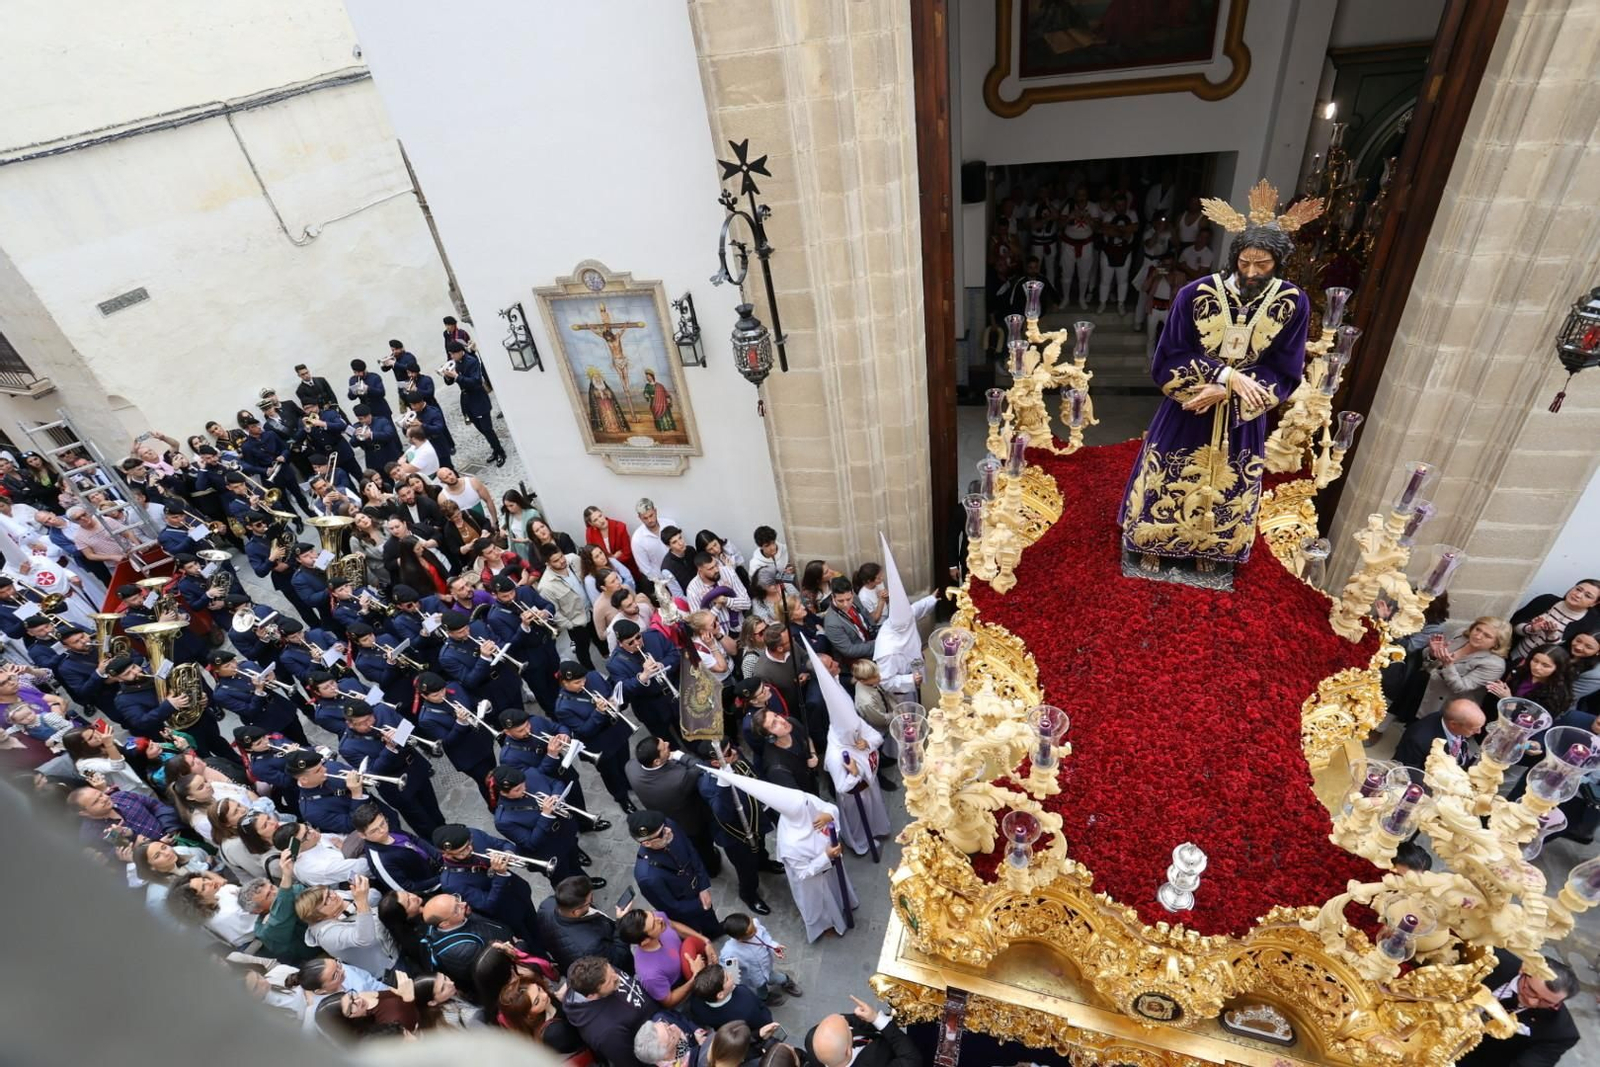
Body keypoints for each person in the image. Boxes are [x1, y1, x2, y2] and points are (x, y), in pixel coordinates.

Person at [1119, 182, 1317, 577]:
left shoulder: (1292, 302)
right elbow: (1169, 355)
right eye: (1245, 262)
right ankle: (1152, 541)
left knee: (1230, 484)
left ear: (1278, 263)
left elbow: (1285, 368)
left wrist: (1233, 389)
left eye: (1263, 266)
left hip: (1241, 416)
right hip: (1189, 406)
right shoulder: (1196, 293)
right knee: (1168, 472)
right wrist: (1221, 376)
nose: (1252, 272)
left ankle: (1214, 547)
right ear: (1234, 257)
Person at [710, 768, 855, 942]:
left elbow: (824, 806)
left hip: (832, 864)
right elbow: (803, 872)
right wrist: (826, 856)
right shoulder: (790, 843)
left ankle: (844, 906)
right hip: (814, 881)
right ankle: (826, 925)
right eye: (804, 806)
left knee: (838, 889)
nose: (808, 805)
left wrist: (829, 814)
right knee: (820, 905)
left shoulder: (805, 801)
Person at [811, 641, 890, 856]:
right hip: (856, 796)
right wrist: (855, 773)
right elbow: (843, 786)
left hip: (870, 784)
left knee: (874, 810)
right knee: (858, 820)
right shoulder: (835, 755)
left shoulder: (854, 725)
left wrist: (868, 743)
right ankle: (861, 844)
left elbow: (874, 736)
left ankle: (878, 830)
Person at [1456, 950, 1579, 1067]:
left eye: (1545, 1001)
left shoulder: (1560, 1033)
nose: (1532, 1001)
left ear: (1559, 1003)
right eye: (1531, 990)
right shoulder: (1489, 960)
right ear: (1523, 970)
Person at [432, 822, 540, 944]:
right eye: (462, 851)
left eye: (469, 844)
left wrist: (508, 853)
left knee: (538, 926)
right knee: (531, 942)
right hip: (508, 913)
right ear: (446, 854)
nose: (470, 850)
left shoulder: (473, 834)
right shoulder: (451, 883)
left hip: (520, 891)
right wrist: (500, 875)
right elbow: (488, 905)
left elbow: (502, 844)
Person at [629, 809, 721, 939]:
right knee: (695, 935)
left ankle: (715, 931)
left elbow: (691, 853)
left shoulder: (668, 827)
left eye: (665, 826)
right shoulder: (648, 877)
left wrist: (703, 886)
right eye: (661, 833)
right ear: (647, 843)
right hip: (685, 911)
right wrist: (700, 905)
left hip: (698, 890)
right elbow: (670, 906)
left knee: (711, 921)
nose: (669, 831)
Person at [564, 956, 666, 1067]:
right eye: (609, 982)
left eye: (612, 970)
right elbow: (631, 1063)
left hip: (665, 1016)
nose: (617, 977)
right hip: (663, 1049)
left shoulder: (600, 972)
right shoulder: (606, 1034)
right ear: (591, 996)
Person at [1410, 617, 1512, 722]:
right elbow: (1429, 662)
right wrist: (1432, 653)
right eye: (1478, 629)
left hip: (1440, 704)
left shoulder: (1495, 665)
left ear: (1497, 644)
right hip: (1422, 686)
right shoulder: (1460, 635)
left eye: (1487, 636)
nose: (1478, 636)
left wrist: (1448, 665)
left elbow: (1460, 687)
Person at [296, 876, 401, 976]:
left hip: (397, 938)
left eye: (328, 892)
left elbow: (375, 895)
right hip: (392, 967)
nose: (333, 896)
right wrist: (360, 903)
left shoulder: (337, 897)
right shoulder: (326, 936)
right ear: (318, 917)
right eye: (326, 901)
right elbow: (365, 938)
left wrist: (353, 905)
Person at [419, 891, 516, 997]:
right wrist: (519, 947)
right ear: (445, 924)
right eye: (456, 909)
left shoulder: (454, 918)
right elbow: (496, 969)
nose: (463, 904)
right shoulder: (462, 951)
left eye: (457, 899)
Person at [535, 874, 635, 974]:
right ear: (576, 912)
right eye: (589, 900)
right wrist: (621, 922)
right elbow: (618, 959)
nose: (592, 901)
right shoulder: (592, 945)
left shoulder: (547, 905)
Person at [618, 907, 710, 1008]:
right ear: (645, 941)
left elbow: (674, 926)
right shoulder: (649, 975)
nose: (660, 919)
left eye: (652, 915)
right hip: (683, 987)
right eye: (653, 925)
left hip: (691, 958)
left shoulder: (658, 919)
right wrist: (695, 977)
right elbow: (669, 1001)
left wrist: (704, 940)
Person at [239, 855, 321, 964]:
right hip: (317, 957)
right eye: (268, 895)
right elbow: (279, 916)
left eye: (272, 887)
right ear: (257, 910)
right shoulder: (264, 930)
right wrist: (286, 877)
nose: (276, 892)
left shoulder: (292, 890)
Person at [353, 802, 443, 896]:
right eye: (374, 830)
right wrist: (442, 879)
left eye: (382, 823)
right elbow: (406, 889)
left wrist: (441, 857)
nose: (383, 830)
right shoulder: (381, 861)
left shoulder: (389, 828)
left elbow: (414, 839)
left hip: (436, 867)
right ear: (362, 835)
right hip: (433, 888)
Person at [803, 996, 920, 1067]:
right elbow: (912, 1060)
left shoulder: (812, 1036)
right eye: (848, 1029)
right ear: (848, 1052)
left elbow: (848, 1020)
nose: (847, 1021)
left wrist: (876, 1019)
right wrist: (879, 1022)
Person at [442, 340, 507, 466]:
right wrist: (447, 375)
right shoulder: (455, 363)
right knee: (481, 429)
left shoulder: (472, 361)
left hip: (479, 399)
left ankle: (500, 452)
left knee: (488, 429)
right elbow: (449, 382)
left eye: (453, 354)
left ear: (460, 352)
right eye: (450, 354)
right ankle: (495, 448)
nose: (452, 357)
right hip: (467, 401)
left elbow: (476, 381)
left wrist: (456, 376)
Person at [719, 912, 801, 1006]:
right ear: (739, 938)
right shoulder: (729, 952)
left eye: (754, 927)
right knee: (761, 988)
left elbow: (765, 936)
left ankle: (786, 982)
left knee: (778, 977)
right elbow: (732, 973)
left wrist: (773, 946)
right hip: (754, 976)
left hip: (767, 968)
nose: (755, 931)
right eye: (751, 933)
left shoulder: (755, 924)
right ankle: (765, 999)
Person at [1511, 580, 1600, 658]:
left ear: (1594, 603)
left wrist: (1551, 636)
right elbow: (1513, 625)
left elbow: (1565, 655)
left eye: (1588, 596)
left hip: (1540, 669)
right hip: (1514, 654)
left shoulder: (1590, 624)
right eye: (1578, 589)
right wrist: (1531, 628)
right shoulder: (1546, 601)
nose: (1578, 595)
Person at [1393, 698, 1486, 772]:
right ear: (1453, 724)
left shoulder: (1455, 723)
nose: (1479, 732)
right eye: (1474, 728)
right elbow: (1406, 772)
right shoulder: (1418, 740)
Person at [687, 963, 773, 1034]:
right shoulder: (745, 1001)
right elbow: (764, 1020)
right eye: (727, 978)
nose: (731, 974)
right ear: (720, 994)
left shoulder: (696, 1002)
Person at [630, 498, 680, 585]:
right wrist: (662, 583)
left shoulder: (670, 524)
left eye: (651, 515)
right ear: (640, 518)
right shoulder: (637, 540)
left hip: (680, 571)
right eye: (645, 518)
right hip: (662, 581)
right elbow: (645, 568)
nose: (650, 520)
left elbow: (681, 546)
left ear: (655, 511)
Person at [584, 504, 638, 574]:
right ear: (591, 524)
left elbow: (627, 553)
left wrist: (606, 560)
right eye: (595, 520)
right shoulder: (590, 533)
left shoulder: (620, 527)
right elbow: (593, 556)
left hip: (626, 568)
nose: (600, 520)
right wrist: (614, 557)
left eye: (600, 516)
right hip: (606, 573)